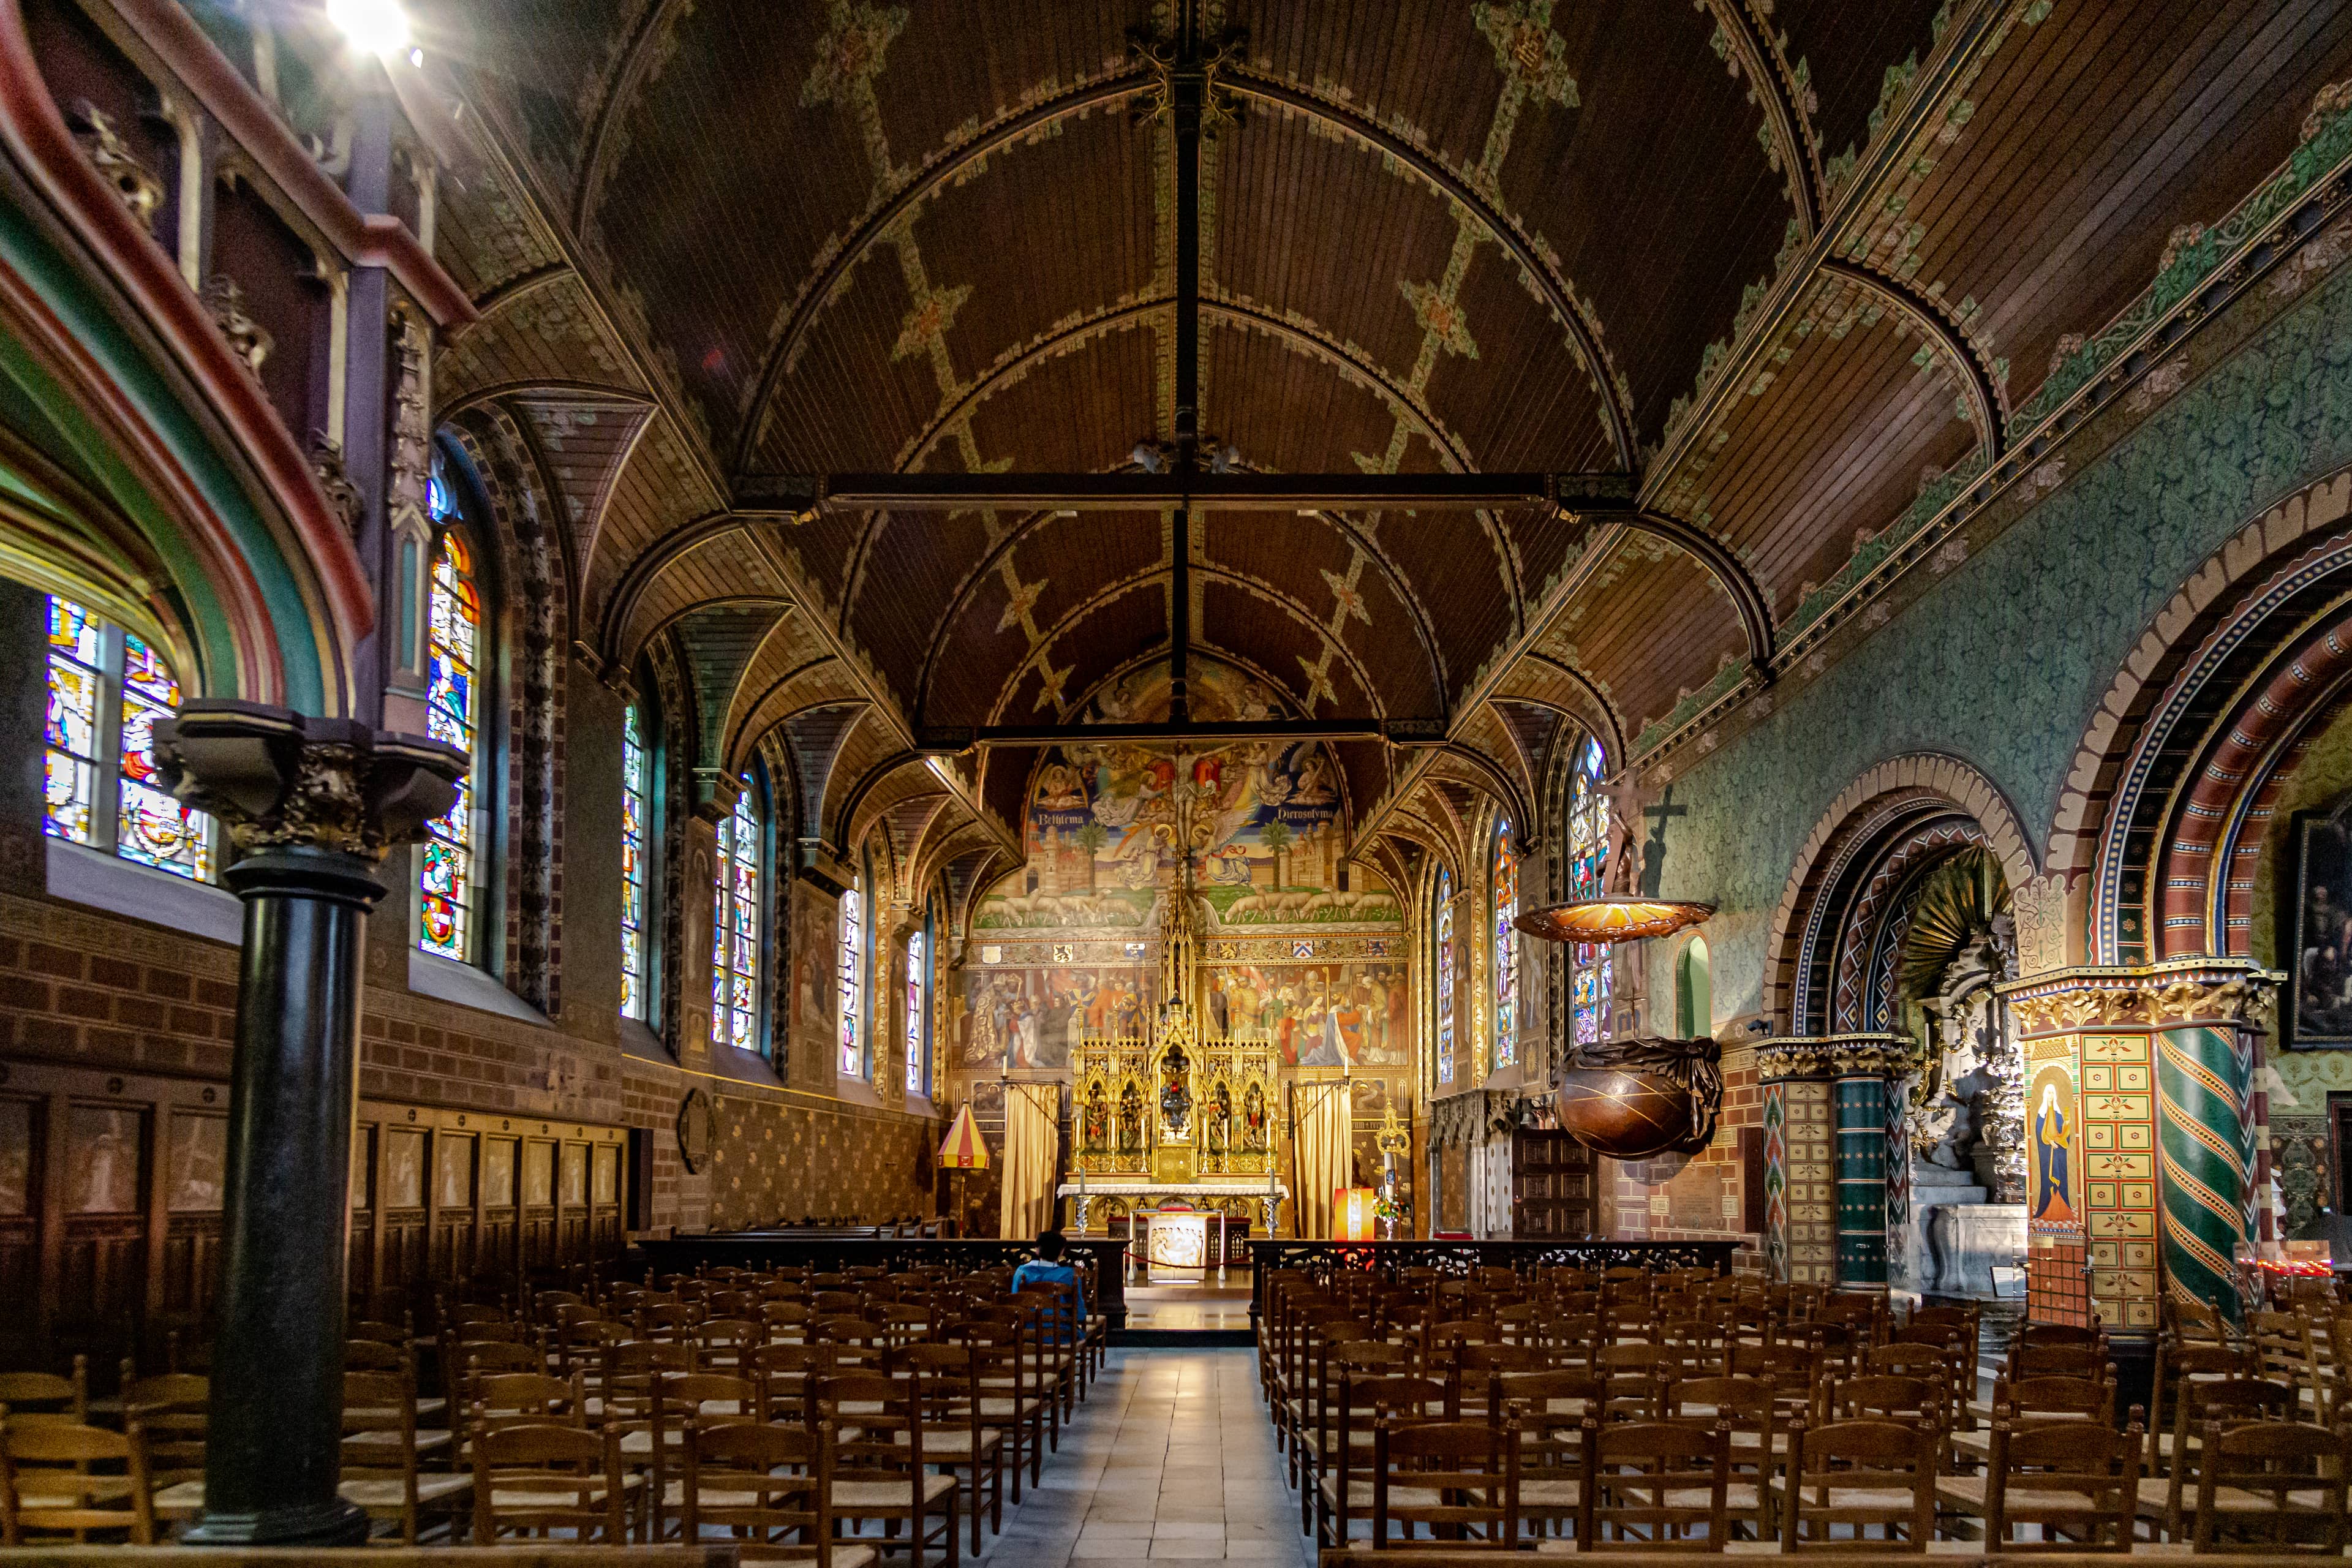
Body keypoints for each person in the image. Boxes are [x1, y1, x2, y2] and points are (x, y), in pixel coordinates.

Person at [1011, 1230, 1088, 1349]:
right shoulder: (1069, 1275)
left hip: (1027, 1332)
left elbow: (1015, 1303)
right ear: (1062, 1251)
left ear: (1037, 1250)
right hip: (1060, 1333)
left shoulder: (1022, 1271)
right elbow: (1079, 1313)